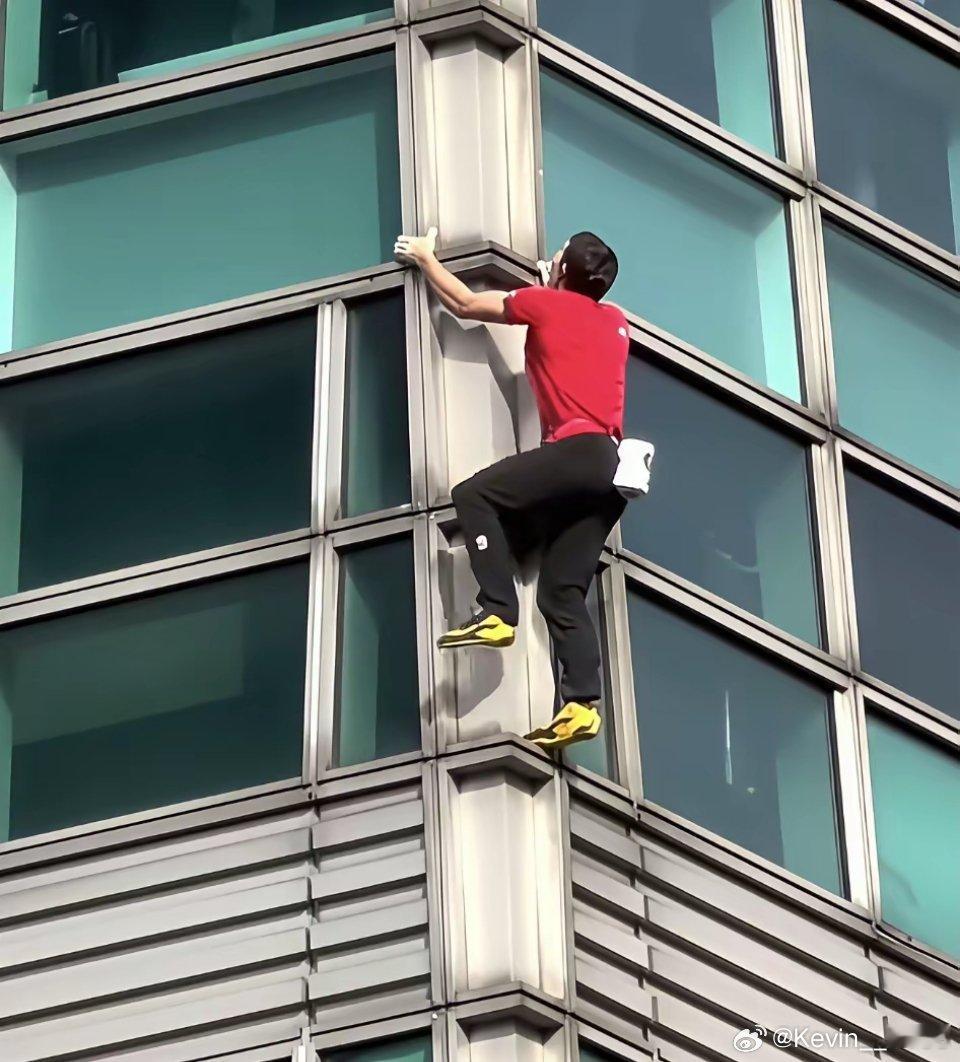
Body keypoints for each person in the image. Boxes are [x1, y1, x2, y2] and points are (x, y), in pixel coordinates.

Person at [394, 228, 628, 750]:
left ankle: (498, 610)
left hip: (575, 453)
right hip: (611, 471)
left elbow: (464, 303)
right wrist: (553, 285)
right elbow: (572, 331)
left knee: (473, 495)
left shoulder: (543, 304)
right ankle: (581, 705)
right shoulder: (616, 321)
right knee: (562, 592)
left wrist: (427, 259)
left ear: (562, 269)